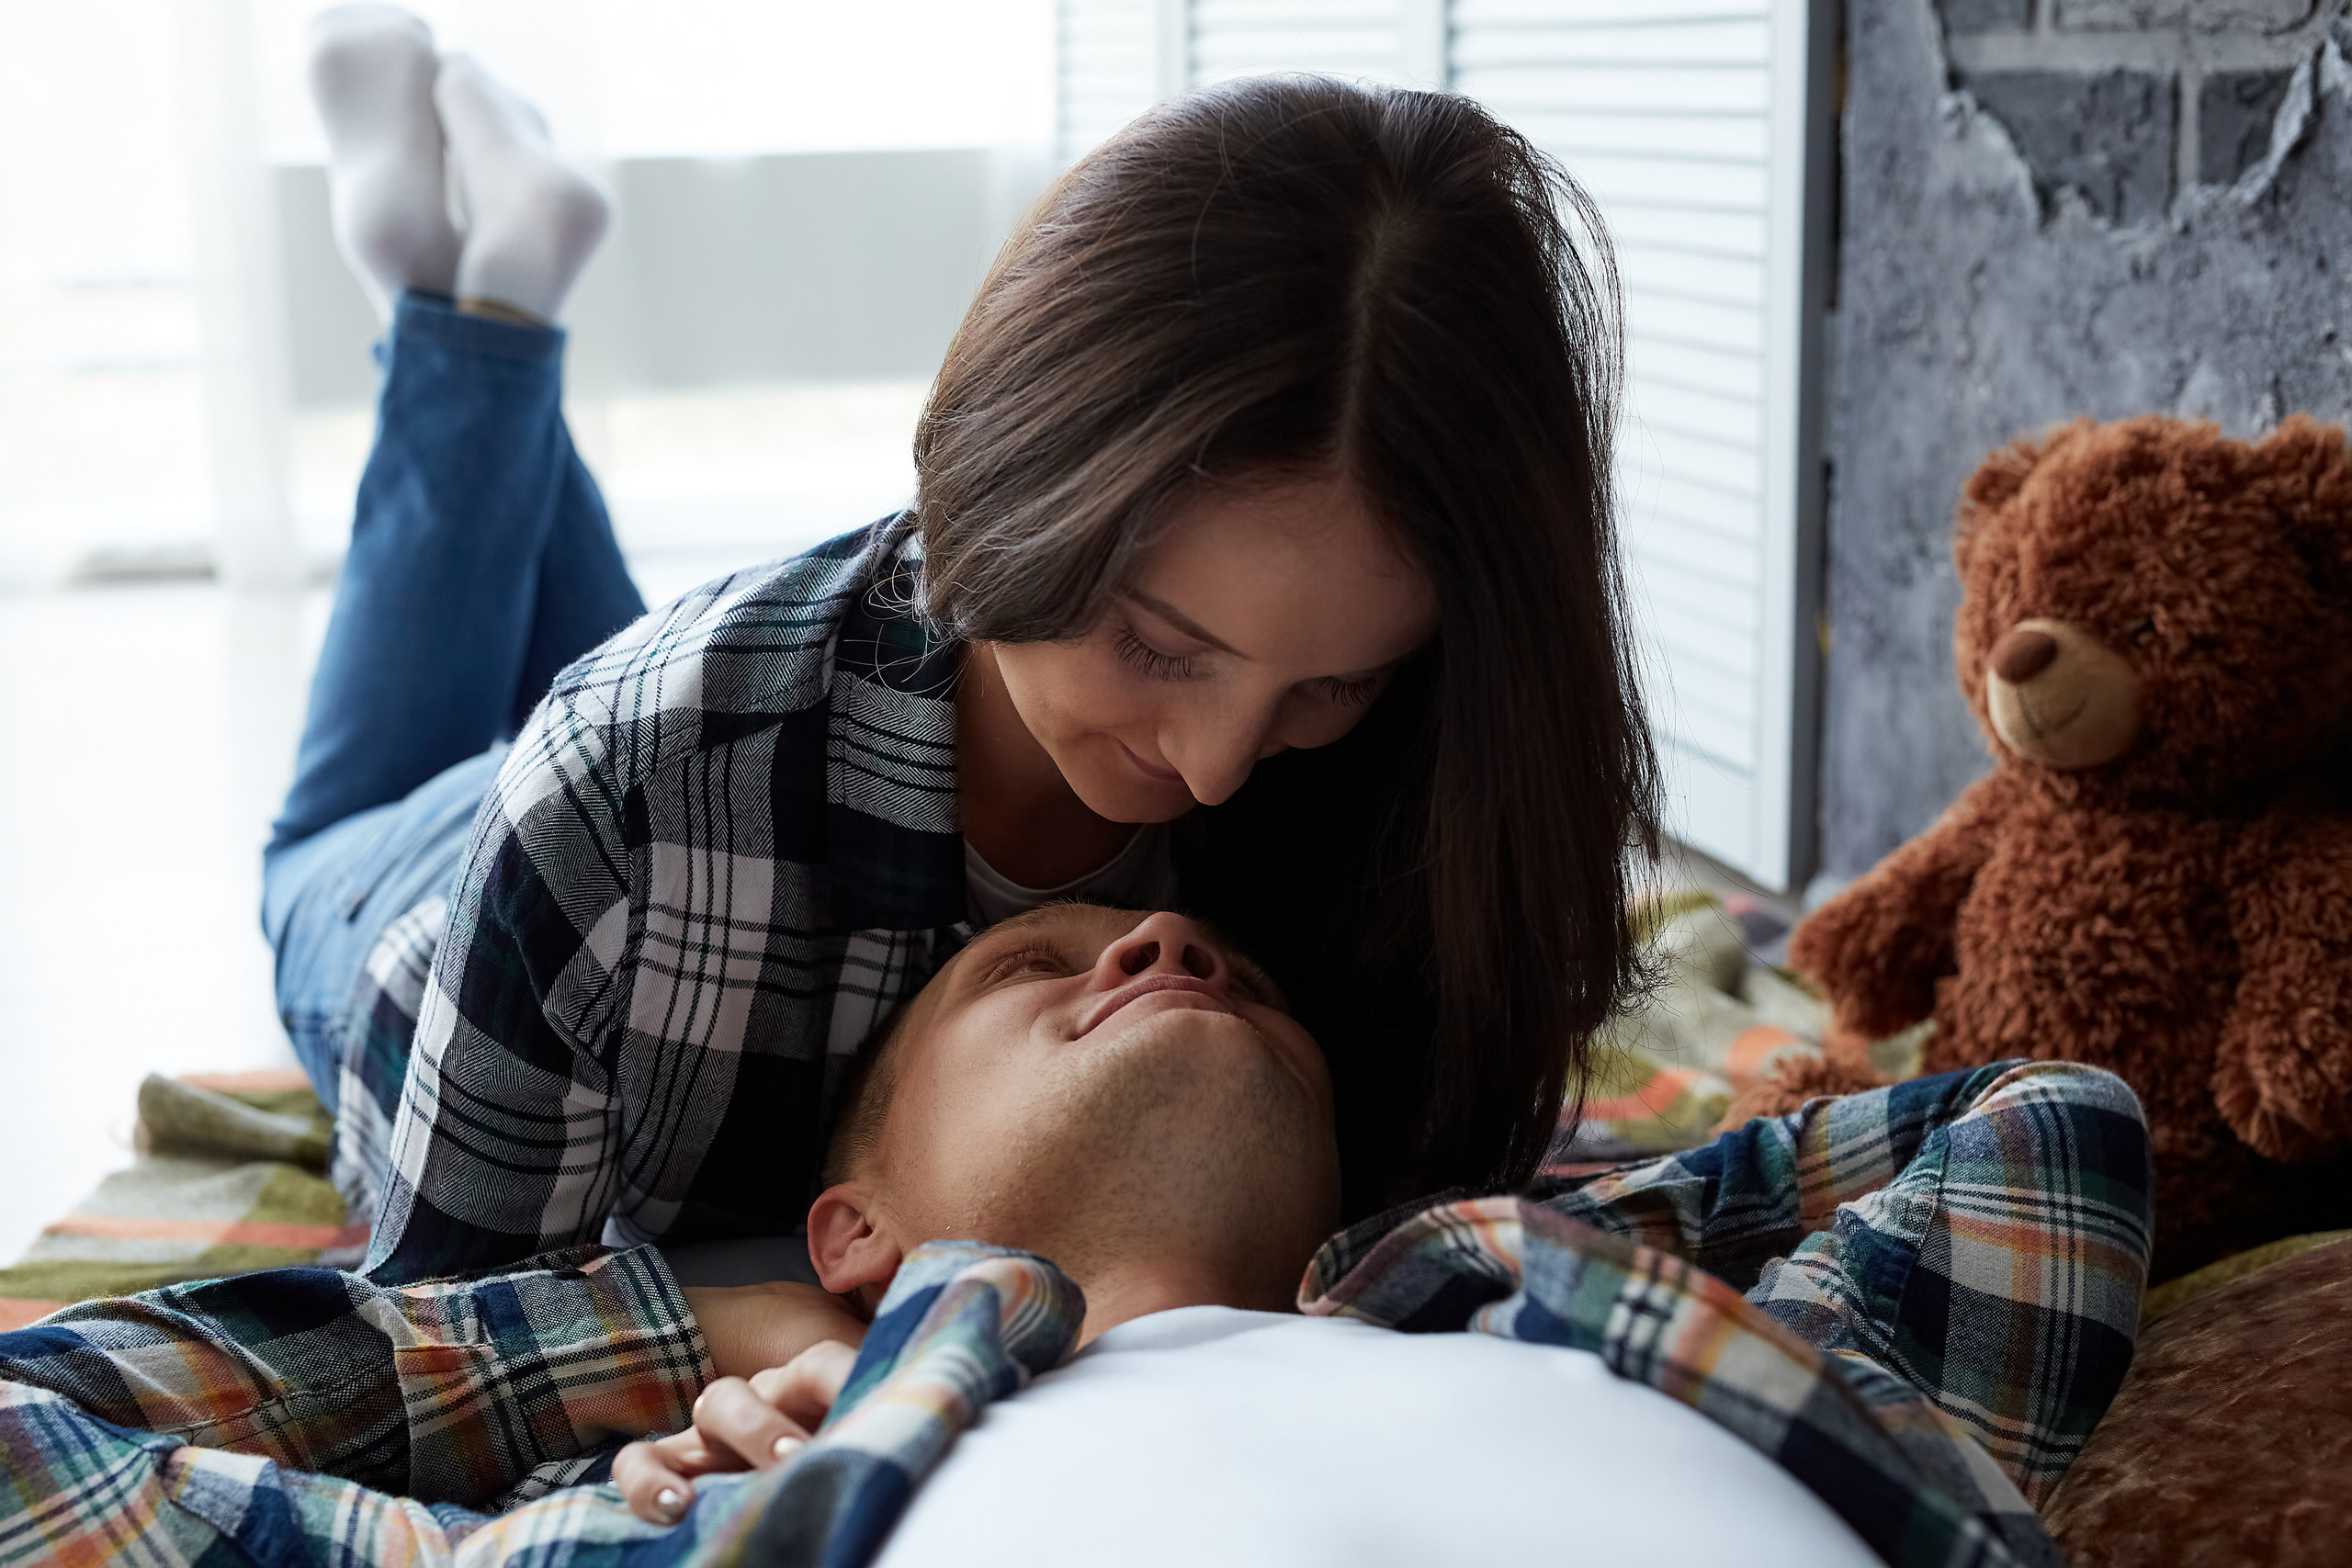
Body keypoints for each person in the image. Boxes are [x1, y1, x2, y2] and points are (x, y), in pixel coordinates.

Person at [267, 7, 1662, 1289]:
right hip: (408, 897)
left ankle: (493, 296)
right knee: (322, 839)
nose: (1221, 768)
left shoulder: (1439, 790)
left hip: (693, 772)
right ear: (1003, 483)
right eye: (1160, 645)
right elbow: (450, 1342)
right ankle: (459, 302)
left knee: (640, 688)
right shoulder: (617, 796)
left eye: (1329, 684)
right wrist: (746, 1322)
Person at [1, 903, 2152, 1568]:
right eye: (1031, 961)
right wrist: (682, 1324)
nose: (1157, 931)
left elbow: (2040, 1125)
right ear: (856, 1222)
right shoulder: (701, 1517)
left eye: (1226, 966)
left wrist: (1466, 1253)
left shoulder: (1607, 1326)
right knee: (340, 881)